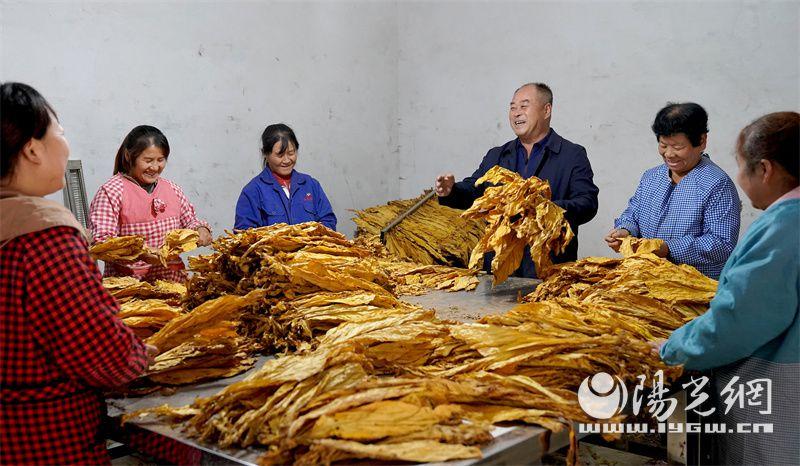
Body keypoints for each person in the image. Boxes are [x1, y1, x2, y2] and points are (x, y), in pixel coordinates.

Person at [0, 82, 154, 465]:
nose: (66, 144)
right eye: (61, 133)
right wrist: (145, 356)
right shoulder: (44, 239)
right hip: (45, 439)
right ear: (33, 149)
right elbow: (102, 353)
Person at [659, 112, 799, 464]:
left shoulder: (782, 229)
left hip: (778, 389)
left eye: (742, 167)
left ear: (764, 169)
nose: (739, 177)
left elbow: (739, 319)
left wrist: (671, 348)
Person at [435, 83, 598, 277]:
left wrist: (543, 209)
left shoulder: (572, 155)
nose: (516, 113)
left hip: (549, 271)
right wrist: (451, 190)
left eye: (524, 106)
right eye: (512, 107)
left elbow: (587, 203)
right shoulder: (497, 155)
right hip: (500, 270)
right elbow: (474, 190)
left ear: (546, 110)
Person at [605, 103, 740, 279]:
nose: (669, 154)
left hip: (693, 288)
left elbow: (721, 244)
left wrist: (668, 248)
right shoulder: (651, 177)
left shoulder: (717, 184)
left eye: (677, 147)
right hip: (645, 280)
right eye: (663, 145)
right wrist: (624, 231)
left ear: (701, 141)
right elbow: (632, 214)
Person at [89, 125, 212, 282]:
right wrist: (140, 252)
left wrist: (201, 229)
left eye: (160, 160)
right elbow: (102, 241)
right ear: (128, 156)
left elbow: (190, 221)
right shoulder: (111, 192)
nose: (155, 167)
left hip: (173, 282)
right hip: (129, 289)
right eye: (148, 161)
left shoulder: (172, 189)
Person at [234, 123, 337, 230]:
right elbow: (244, 234)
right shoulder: (253, 190)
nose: (287, 160)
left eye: (291, 153)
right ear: (265, 153)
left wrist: (307, 238)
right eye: (280, 155)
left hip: (311, 247)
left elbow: (328, 221)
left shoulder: (311, 185)